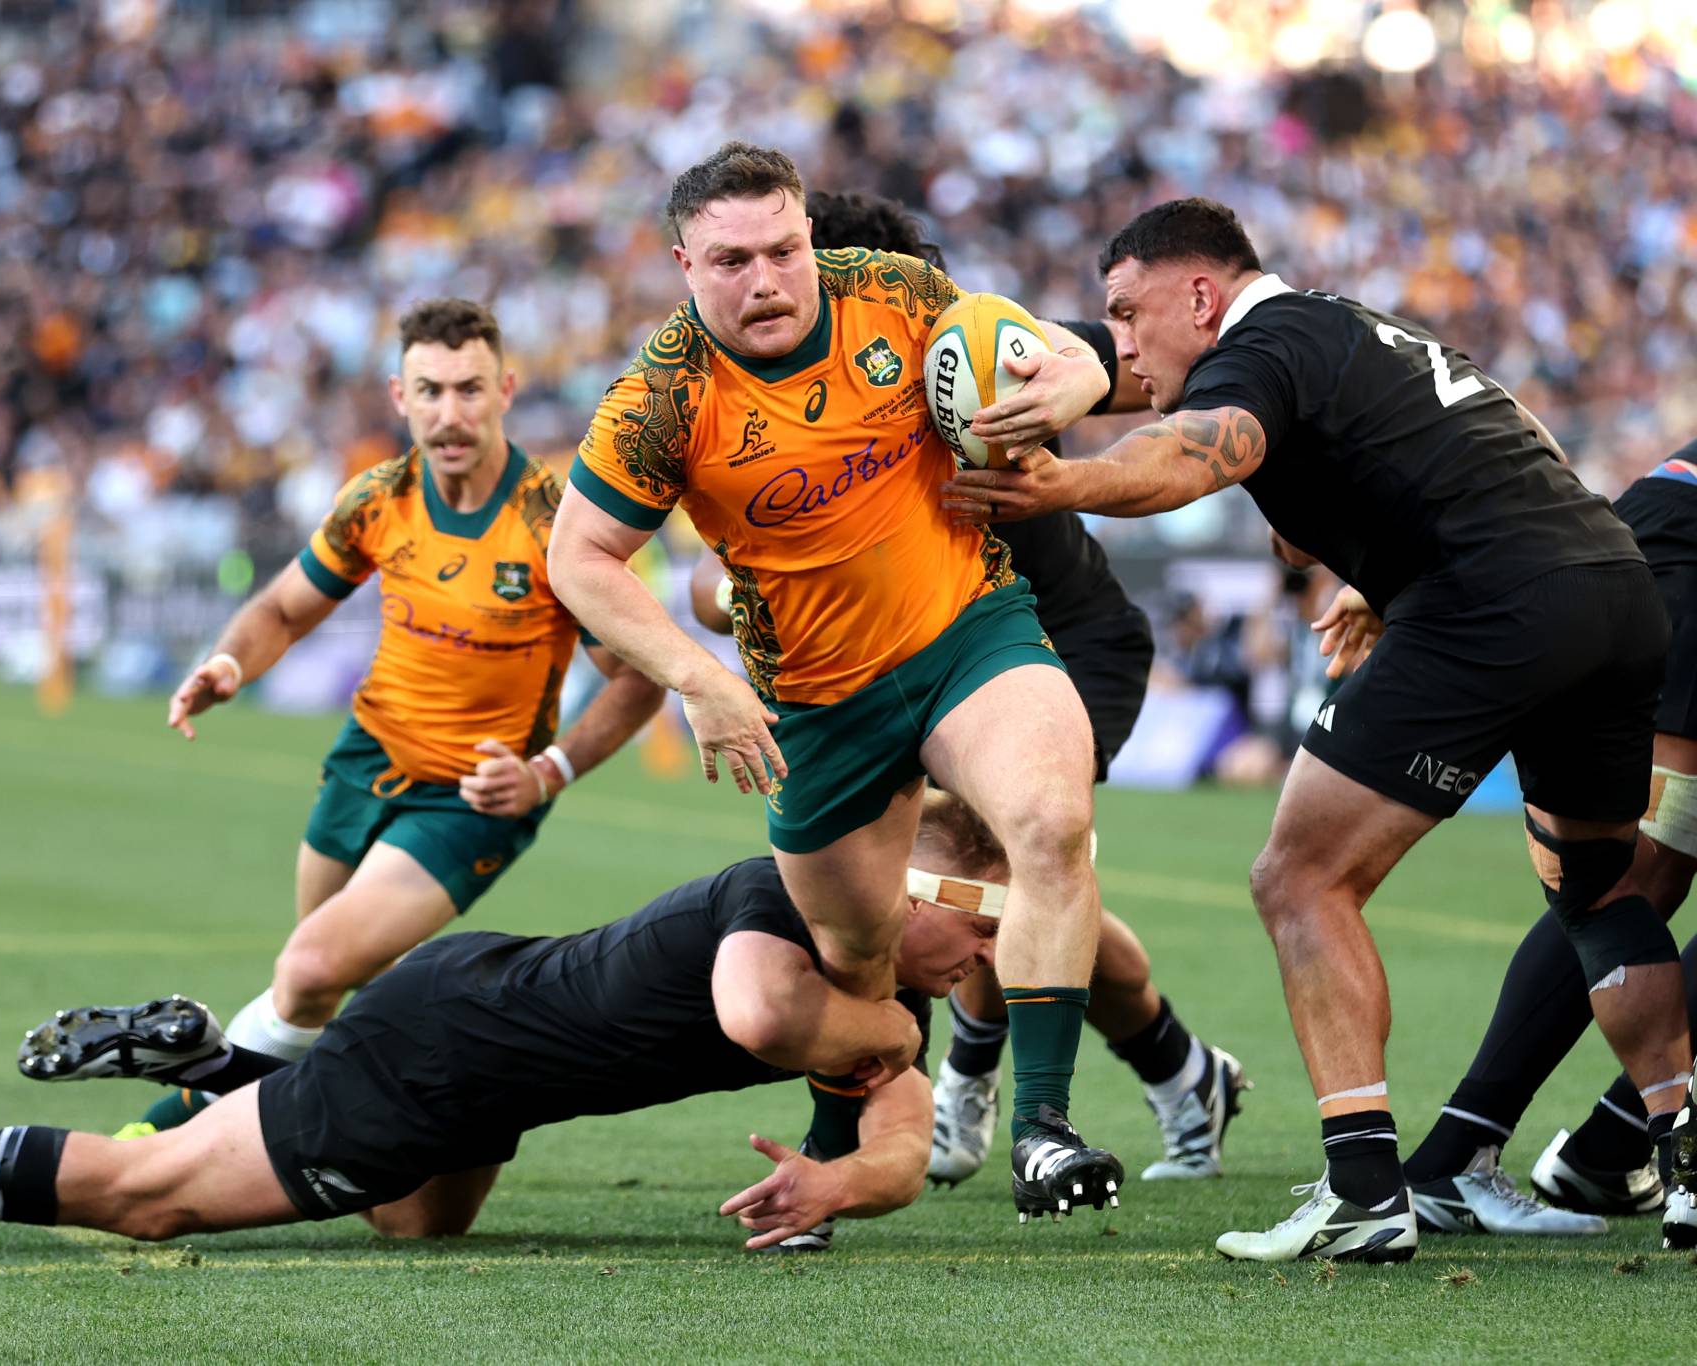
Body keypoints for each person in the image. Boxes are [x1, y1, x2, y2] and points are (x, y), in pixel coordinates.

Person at [946, 197, 1692, 1262]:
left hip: (1489, 599)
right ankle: (1682, 1140)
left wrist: (1067, 481)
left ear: (1199, 295)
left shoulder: (1260, 344)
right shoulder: (1357, 327)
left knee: (1297, 877)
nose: (1116, 343)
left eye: (1125, 311)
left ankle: (1360, 1190)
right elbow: (1507, 438)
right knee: (1601, 890)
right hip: (1608, 584)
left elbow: (1198, 451)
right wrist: (1378, 574)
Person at [549, 142, 1125, 1220]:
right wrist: (697, 676)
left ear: (809, 236)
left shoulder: (896, 295)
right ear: (683, 263)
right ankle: (829, 1146)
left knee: (1050, 826)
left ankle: (1041, 1128)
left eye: (780, 249)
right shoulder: (660, 397)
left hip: (969, 632)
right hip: (815, 703)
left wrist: (1074, 383)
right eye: (729, 261)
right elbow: (577, 556)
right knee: (858, 957)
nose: (762, 279)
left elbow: (1063, 356)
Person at [0, 795, 1013, 1256]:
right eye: (985, 924)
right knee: (147, 1194)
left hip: (488, 1057)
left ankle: (212, 1063)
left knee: (415, 1224)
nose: (989, 962)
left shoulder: (893, 1000)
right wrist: (863, 1053)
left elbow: (902, 1154)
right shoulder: (787, 897)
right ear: (914, 890)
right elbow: (754, 1007)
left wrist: (837, 1170)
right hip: (442, 1048)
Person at [690, 189, 1249, 1198]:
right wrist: (745, 591)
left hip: (1055, 638)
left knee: (992, 868)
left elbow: (1144, 370)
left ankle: (979, 1084)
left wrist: (1068, 386)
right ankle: (1178, 1069)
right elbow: (711, 574)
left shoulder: (960, 342)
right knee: (997, 883)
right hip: (904, 663)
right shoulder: (773, 400)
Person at [138, 299, 663, 1135]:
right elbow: (281, 609)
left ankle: (172, 1130)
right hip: (362, 762)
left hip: (470, 798)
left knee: (309, 970)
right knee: (313, 988)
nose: (449, 414)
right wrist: (230, 662)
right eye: (430, 391)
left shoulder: (552, 523)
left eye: (468, 389)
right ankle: (356, 1137)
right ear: (398, 395)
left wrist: (545, 774)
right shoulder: (378, 499)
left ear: (506, 391)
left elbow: (638, 676)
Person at [1379, 440, 1697, 1250]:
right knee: (1630, 880)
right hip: (1675, 556)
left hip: (1636, 541)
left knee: (1621, 882)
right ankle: (1640, 1145)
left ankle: (1593, 1144)